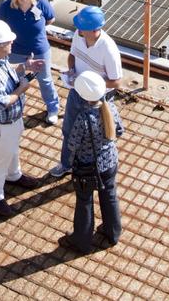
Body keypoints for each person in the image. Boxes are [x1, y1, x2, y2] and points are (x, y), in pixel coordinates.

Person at [0, 19, 44, 217]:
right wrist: (21, 89)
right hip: (1, 125)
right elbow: (1, 102)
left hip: (11, 122)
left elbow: (6, 69)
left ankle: (13, 176)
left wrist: (24, 66)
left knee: (11, 151)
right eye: (8, 42)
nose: (12, 44)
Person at [49, 5, 122, 177]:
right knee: (68, 130)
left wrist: (93, 84)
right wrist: (72, 71)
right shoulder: (78, 36)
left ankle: (95, 169)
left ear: (92, 30)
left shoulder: (108, 49)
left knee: (98, 138)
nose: (77, 28)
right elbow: (72, 55)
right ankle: (66, 164)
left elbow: (117, 82)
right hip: (77, 92)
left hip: (99, 100)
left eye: (81, 26)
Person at [59, 71, 123, 253]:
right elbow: (119, 131)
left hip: (87, 167)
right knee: (109, 196)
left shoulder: (83, 118)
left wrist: (69, 163)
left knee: (84, 202)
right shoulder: (109, 107)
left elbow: (72, 144)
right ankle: (112, 232)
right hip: (109, 162)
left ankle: (81, 241)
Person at [0, 0, 60, 124]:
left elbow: (51, 19)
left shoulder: (42, 3)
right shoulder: (6, 7)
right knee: (15, 80)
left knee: (45, 80)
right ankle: (15, 107)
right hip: (16, 50)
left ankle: (53, 109)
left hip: (39, 49)